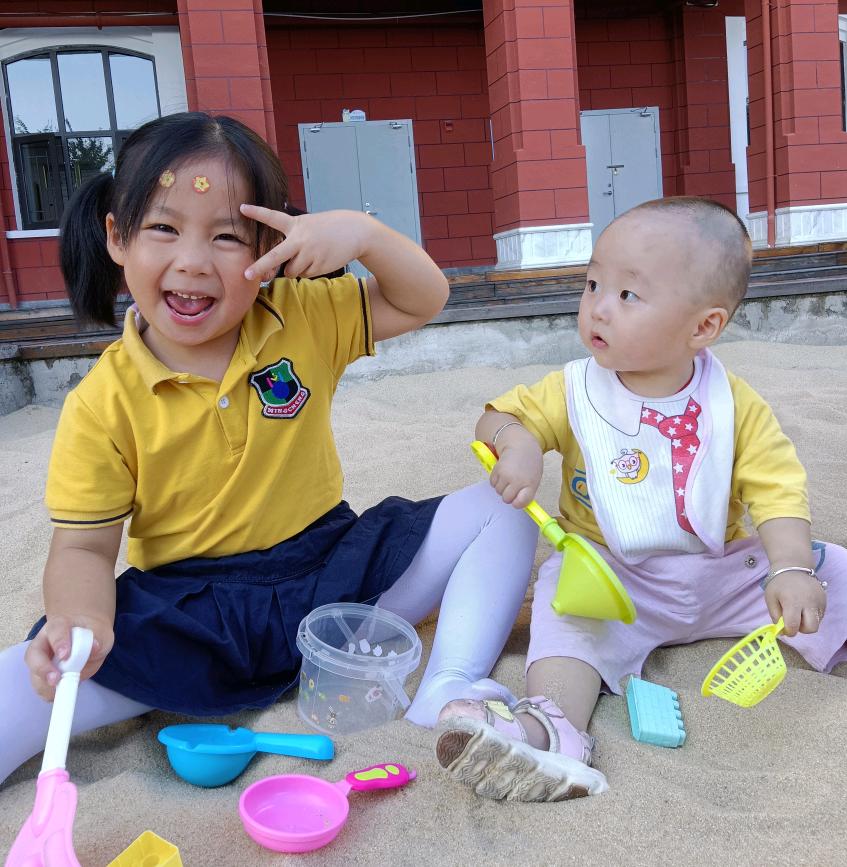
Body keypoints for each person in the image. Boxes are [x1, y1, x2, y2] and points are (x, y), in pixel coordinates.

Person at [0, 112, 538, 785]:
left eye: (228, 236)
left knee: (503, 512)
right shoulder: (100, 403)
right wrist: (81, 622)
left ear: (272, 246)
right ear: (116, 236)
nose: (193, 260)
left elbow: (423, 297)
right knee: (28, 676)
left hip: (333, 583)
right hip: (193, 619)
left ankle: (447, 685)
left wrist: (364, 233)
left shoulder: (302, 314)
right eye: (164, 228)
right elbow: (83, 549)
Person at [434, 197, 847, 802]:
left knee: (835, 570)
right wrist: (517, 442)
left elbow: (777, 489)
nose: (598, 307)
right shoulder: (574, 389)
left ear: (703, 327)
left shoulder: (733, 405)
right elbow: (498, 418)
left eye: (628, 295)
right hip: (611, 583)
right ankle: (551, 729)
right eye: (592, 284)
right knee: (565, 624)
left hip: (724, 574)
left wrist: (791, 567)